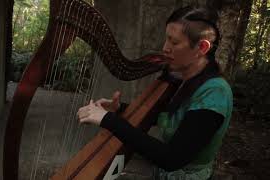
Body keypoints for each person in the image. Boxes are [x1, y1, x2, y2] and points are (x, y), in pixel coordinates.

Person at [77, 6, 233, 180]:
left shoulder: (214, 94)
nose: (165, 48)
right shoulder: (183, 79)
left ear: (202, 47)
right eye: (166, 39)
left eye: (174, 42)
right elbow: (168, 117)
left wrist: (108, 120)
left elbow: (171, 158)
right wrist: (119, 109)